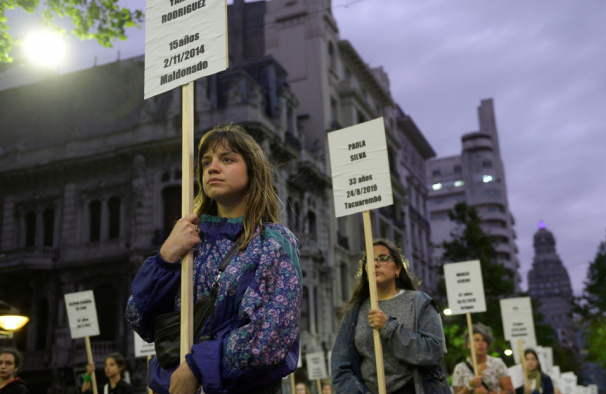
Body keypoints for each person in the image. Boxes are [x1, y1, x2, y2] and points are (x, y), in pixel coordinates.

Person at [126, 124, 302, 394]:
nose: (212, 167)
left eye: (227, 159)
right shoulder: (189, 240)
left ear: (253, 170)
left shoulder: (274, 242)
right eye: (206, 162)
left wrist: (198, 366)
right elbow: (138, 318)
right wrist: (166, 257)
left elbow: (268, 338)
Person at [331, 239, 451, 394]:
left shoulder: (419, 302)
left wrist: (389, 328)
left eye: (382, 258)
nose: (375, 264)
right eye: (369, 260)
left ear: (398, 268)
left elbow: (433, 352)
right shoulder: (355, 311)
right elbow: (340, 367)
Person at [452, 323, 514, 394]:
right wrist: (469, 386)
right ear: (469, 344)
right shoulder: (460, 369)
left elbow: (511, 391)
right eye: (477, 340)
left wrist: (487, 393)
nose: (480, 343)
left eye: (484, 340)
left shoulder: (497, 363)